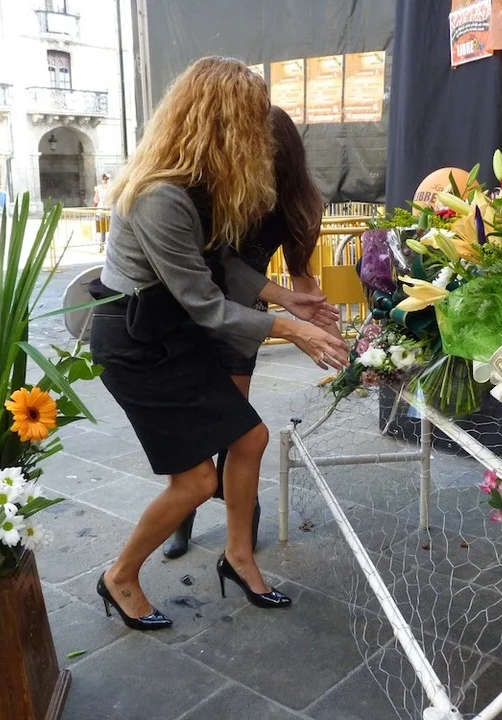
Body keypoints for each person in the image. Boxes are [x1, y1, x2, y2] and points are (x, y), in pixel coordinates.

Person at [88, 57, 349, 631]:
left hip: (171, 331)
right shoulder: (159, 196)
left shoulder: (197, 185)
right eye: (255, 120)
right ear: (224, 122)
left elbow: (222, 264)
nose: (264, 134)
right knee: (197, 480)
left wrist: (288, 300)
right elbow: (204, 302)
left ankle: (238, 556)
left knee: (250, 437)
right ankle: (120, 575)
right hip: (137, 344)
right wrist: (296, 329)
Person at [163, 105, 343, 559]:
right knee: (191, 420)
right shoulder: (226, 189)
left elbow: (303, 279)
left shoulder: (297, 203)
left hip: (244, 318)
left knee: (235, 421)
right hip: (197, 306)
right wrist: (292, 312)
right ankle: (183, 507)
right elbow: (220, 264)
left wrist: (327, 331)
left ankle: (240, 511)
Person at [94, 173, 112, 252]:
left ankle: (111, 247)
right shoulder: (98, 188)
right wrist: (96, 193)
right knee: (102, 229)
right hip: (101, 209)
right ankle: (102, 246)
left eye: (107, 178)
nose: (105, 180)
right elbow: (96, 200)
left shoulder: (111, 187)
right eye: (104, 178)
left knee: (111, 228)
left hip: (109, 209)